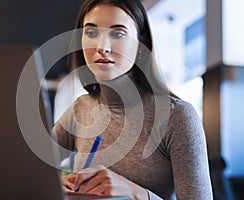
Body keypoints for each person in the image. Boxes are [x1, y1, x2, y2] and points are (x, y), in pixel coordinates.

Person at [52, 0, 213, 199]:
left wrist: (136, 193)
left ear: (140, 45)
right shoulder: (80, 109)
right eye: (91, 33)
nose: (103, 47)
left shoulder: (176, 117)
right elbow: (31, 169)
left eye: (118, 33)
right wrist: (57, 181)